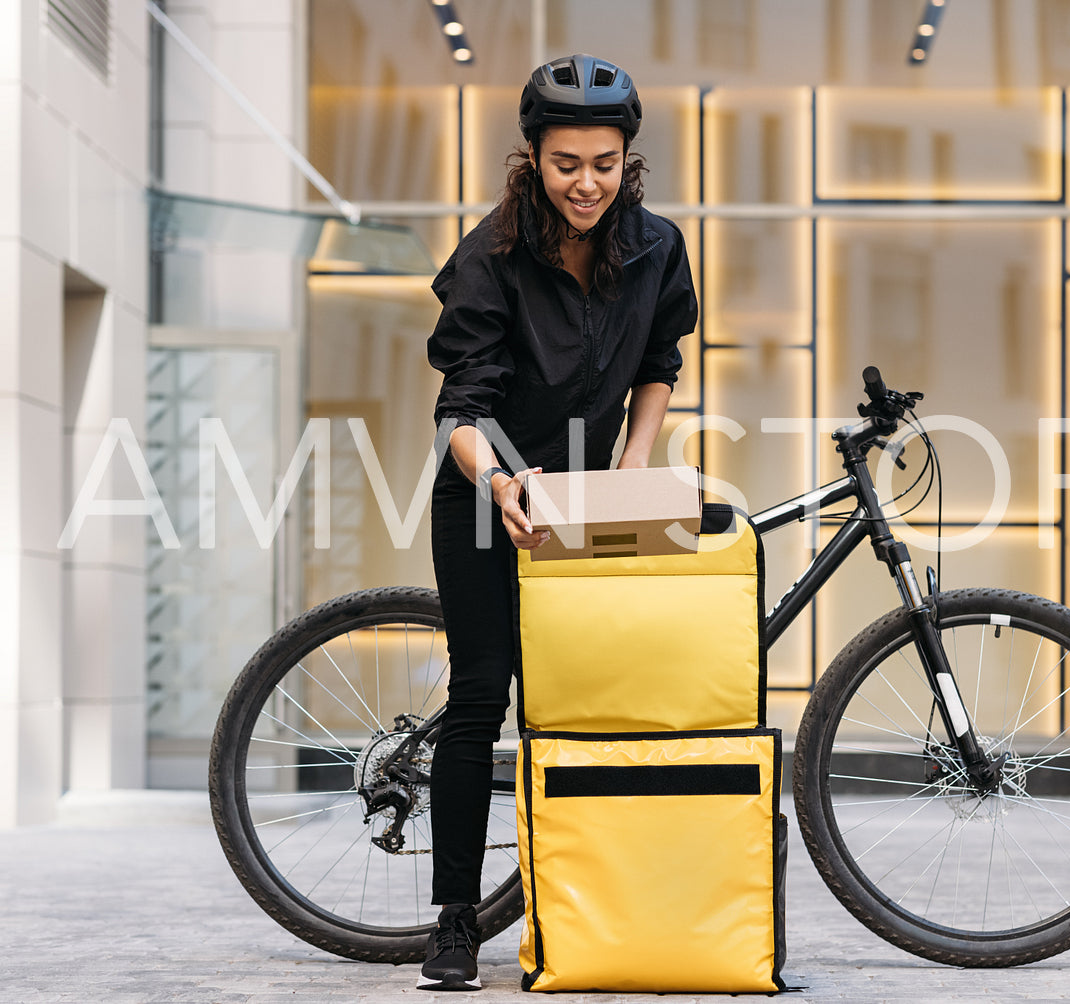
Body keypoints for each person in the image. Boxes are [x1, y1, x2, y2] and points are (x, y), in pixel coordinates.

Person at [419, 53, 698, 991]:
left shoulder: (656, 246)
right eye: (567, 161)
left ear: (629, 161)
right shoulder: (491, 254)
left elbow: (660, 359)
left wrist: (631, 465)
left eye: (605, 163)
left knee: (575, 706)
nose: (586, 183)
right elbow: (460, 407)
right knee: (479, 697)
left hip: (587, 504)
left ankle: (577, 913)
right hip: (486, 493)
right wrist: (497, 481)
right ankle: (456, 919)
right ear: (532, 156)